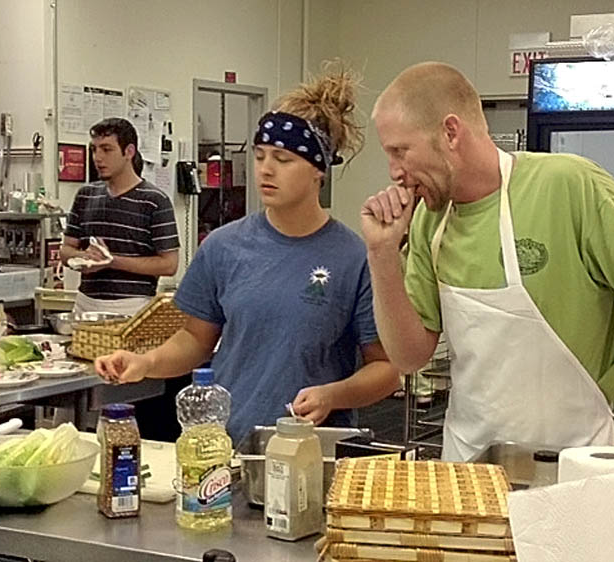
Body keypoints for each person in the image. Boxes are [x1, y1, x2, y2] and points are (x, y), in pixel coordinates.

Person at [360, 61, 614, 461]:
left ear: (450, 132)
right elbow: (408, 357)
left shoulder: (570, 187)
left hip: (579, 470)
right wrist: (382, 254)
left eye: (400, 151)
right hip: (469, 471)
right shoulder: (430, 222)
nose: (394, 172)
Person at [95, 66, 401, 444]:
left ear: (319, 171)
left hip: (314, 449)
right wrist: (146, 363)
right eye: (259, 156)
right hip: (230, 444)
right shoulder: (224, 247)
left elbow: (386, 369)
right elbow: (195, 341)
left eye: (283, 159)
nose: (266, 170)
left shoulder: (354, 257)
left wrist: (332, 395)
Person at [60, 118, 179, 315]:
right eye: (94, 149)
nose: (98, 158)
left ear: (129, 152)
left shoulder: (155, 201)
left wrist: (112, 261)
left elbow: (169, 265)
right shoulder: (86, 195)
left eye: (107, 150)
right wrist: (84, 258)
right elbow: (66, 250)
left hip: (132, 306)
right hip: (85, 304)